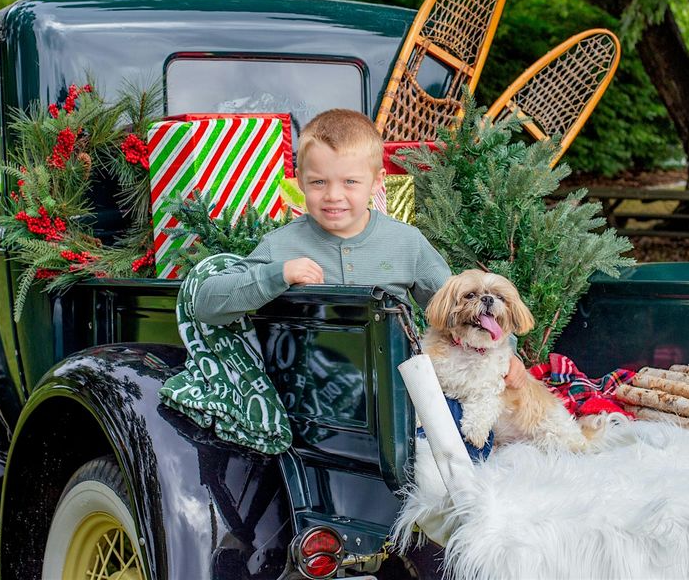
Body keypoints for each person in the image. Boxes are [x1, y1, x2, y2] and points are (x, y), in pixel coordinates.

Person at [193, 108, 526, 388]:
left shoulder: (406, 242)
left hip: (397, 389)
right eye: (318, 182)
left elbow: (457, 307)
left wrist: (506, 351)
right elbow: (207, 304)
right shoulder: (282, 245)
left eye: (350, 182)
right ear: (299, 180)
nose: (333, 195)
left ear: (377, 181)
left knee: (460, 446)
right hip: (309, 392)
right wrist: (277, 274)